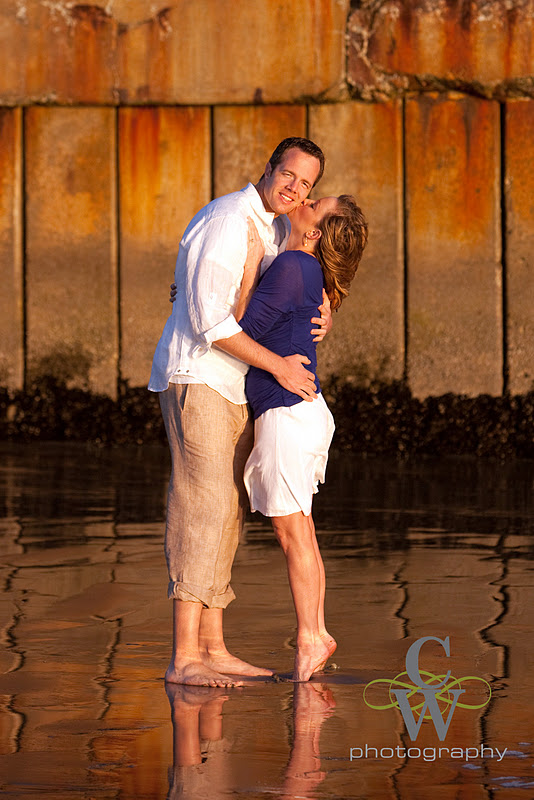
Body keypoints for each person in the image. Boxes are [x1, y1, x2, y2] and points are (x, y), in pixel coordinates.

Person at [149, 138, 331, 688]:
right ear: (270, 168)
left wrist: (323, 312)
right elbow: (209, 320)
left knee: (225, 511)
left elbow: (274, 297)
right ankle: (185, 656)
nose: (295, 189)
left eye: (306, 185)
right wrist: (280, 366)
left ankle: (214, 646)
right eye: (289, 176)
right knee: (201, 505)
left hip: (234, 387)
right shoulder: (231, 218)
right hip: (198, 378)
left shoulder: (275, 227)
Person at [237, 194, 368, 681]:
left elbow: (237, 329)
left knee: (294, 535)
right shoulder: (300, 267)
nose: (305, 198)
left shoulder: (294, 264)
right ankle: (315, 633)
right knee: (302, 533)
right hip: (301, 413)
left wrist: (243, 273)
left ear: (314, 232)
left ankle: (312, 636)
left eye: (316, 203)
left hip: (289, 415)